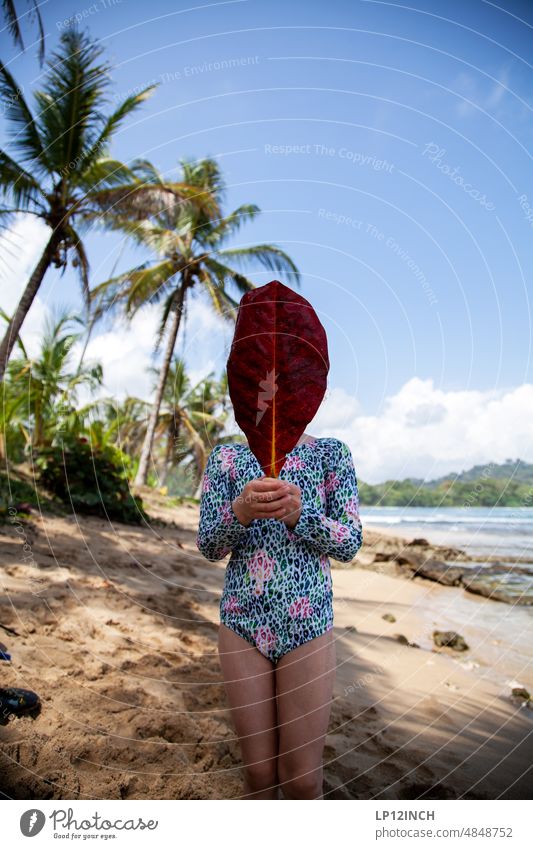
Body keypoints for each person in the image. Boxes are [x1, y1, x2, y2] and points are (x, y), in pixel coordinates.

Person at [195, 430, 363, 799]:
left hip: (308, 623)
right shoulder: (226, 457)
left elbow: (349, 542)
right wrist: (241, 510)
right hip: (242, 622)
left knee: (301, 780)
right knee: (258, 773)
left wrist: (301, 515)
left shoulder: (329, 453)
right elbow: (209, 545)